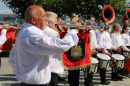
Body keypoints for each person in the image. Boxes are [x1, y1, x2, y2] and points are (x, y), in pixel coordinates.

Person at [8, 5, 79, 86]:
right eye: (43, 16)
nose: (46, 19)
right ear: (33, 20)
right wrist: (74, 31)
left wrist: (23, 72)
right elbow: (61, 45)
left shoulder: (24, 31)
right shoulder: (33, 33)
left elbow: (12, 57)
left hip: (28, 82)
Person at [43, 11, 64, 86]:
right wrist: (74, 31)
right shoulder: (52, 33)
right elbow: (64, 47)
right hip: (51, 70)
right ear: (51, 23)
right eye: (56, 23)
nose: (57, 25)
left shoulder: (39, 31)